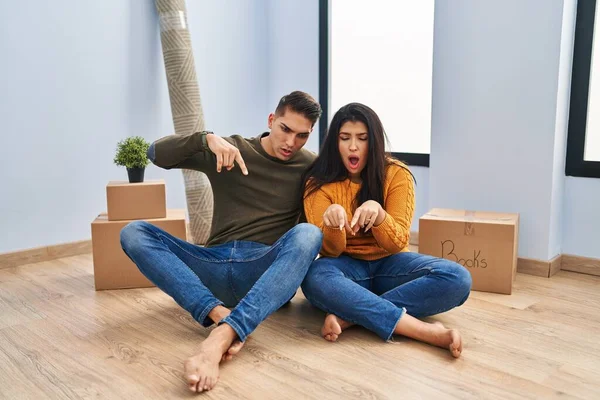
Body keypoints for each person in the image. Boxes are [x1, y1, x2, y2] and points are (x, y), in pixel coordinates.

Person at [120, 91, 324, 392]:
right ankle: (218, 313)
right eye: (285, 129)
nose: (291, 142)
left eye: (302, 136)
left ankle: (223, 335)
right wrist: (206, 139)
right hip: (210, 266)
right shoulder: (231, 148)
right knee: (133, 232)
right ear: (271, 120)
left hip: (261, 269)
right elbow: (154, 153)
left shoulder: (311, 166)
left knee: (309, 234)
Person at [300, 103, 472, 358]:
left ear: (375, 141)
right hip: (345, 267)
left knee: (457, 278)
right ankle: (422, 331)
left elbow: (398, 241)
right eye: (344, 138)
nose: (353, 147)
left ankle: (352, 316)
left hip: (391, 263)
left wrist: (380, 216)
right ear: (334, 143)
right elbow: (331, 250)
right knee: (313, 278)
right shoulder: (318, 184)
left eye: (362, 139)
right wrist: (334, 226)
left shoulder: (396, 174)